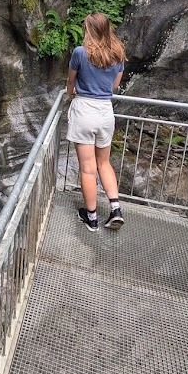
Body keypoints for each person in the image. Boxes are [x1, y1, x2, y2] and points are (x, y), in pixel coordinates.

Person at [65, 12, 126, 232]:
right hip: (105, 112)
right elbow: (114, 87)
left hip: (84, 111)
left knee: (88, 169)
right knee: (104, 163)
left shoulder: (80, 53)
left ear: (89, 30)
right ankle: (116, 209)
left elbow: (71, 81)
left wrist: (70, 92)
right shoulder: (117, 53)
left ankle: (91, 218)